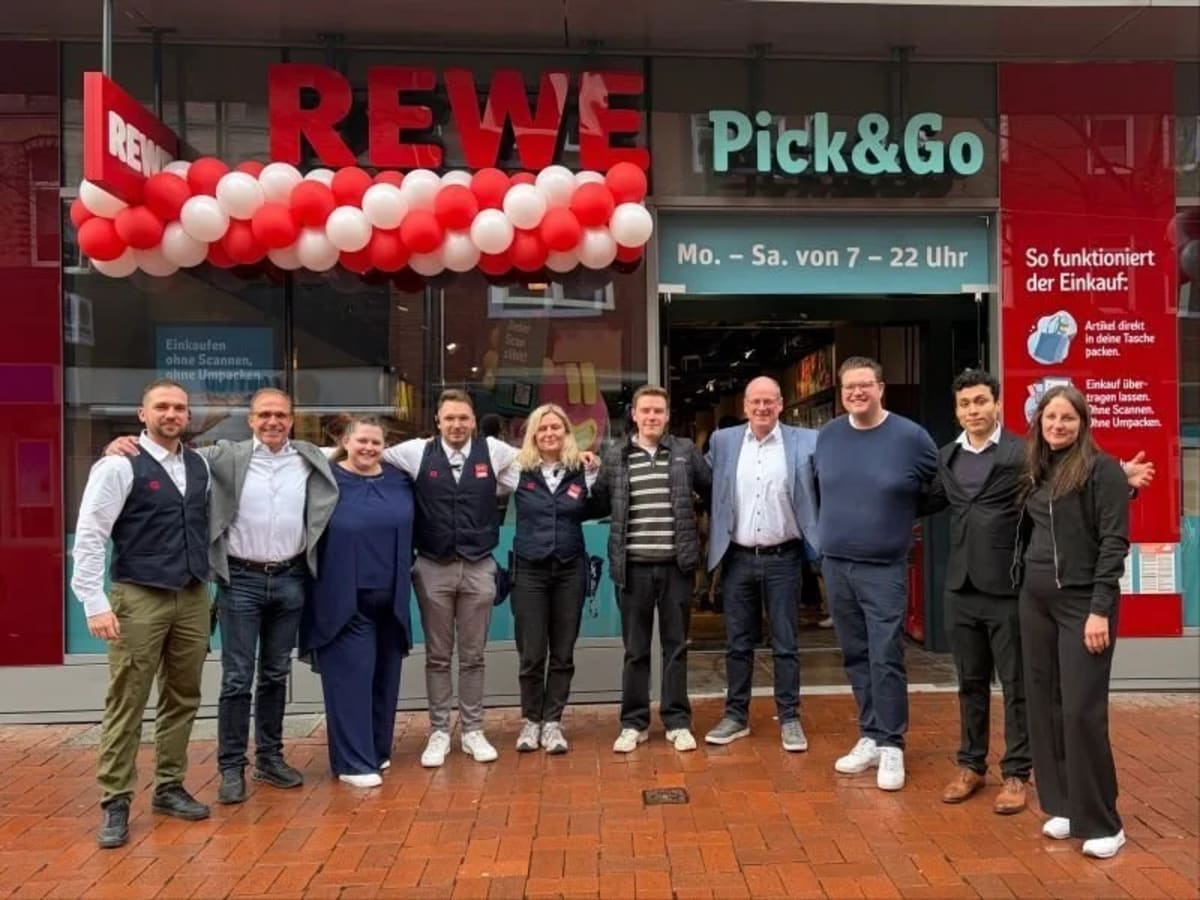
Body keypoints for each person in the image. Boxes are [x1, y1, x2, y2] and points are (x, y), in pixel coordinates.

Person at [925, 370, 1154, 815]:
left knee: (1020, 687)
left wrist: (1119, 480)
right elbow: (931, 500)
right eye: (964, 404)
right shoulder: (947, 457)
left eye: (980, 402)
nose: (973, 410)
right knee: (970, 683)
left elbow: (1078, 492)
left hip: (1012, 589)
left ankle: (1017, 773)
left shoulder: (1022, 454)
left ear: (997, 405)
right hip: (963, 586)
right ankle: (971, 763)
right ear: (956, 411)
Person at [105, 388, 339, 805]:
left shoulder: (310, 457)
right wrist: (121, 444)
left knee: (275, 675)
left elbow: (360, 449)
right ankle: (231, 766)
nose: (272, 422)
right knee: (236, 678)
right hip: (240, 581)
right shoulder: (221, 457)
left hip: (291, 578)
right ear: (250, 420)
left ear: (292, 419)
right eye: (264, 414)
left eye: (281, 415)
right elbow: (169, 454)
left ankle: (270, 757)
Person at [72, 380, 212, 849]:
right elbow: (91, 533)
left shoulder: (199, 464)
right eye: (162, 407)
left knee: (183, 695)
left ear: (188, 416)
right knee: (127, 699)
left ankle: (169, 786)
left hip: (192, 594)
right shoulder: (117, 464)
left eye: (180, 407)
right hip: (139, 596)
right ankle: (115, 799)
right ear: (142, 413)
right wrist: (93, 601)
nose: (172, 414)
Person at [1015, 385, 1130, 859]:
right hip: (1034, 600)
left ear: (1083, 423)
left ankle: (1104, 821)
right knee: (1045, 704)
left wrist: (1099, 608)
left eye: (1067, 418)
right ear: (1039, 424)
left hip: (1082, 603)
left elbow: (1113, 542)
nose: (1058, 425)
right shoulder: (1037, 470)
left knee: (1081, 711)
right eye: (1050, 418)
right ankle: (1063, 804)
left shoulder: (1102, 470)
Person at [813, 356, 937, 791]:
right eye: (850, 387)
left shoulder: (911, 437)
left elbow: (936, 491)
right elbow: (818, 489)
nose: (857, 393)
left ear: (881, 388)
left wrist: (897, 516)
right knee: (855, 654)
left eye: (865, 385)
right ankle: (869, 733)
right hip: (837, 564)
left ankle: (892, 745)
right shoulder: (827, 437)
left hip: (883, 566)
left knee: (886, 655)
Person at [379, 389, 519, 767]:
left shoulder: (495, 452)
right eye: (450, 418)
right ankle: (440, 731)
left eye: (464, 418)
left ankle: (473, 731)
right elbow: (367, 455)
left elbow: (540, 464)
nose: (457, 425)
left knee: (473, 656)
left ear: (473, 421)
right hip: (432, 566)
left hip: (479, 566)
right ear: (438, 422)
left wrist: (585, 464)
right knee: (438, 657)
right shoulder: (415, 452)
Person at [589, 385, 712, 753]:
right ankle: (634, 722)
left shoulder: (685, 452)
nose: (652, 417)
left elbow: (712, 491)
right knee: (635, 650)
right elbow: (596, 502)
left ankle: (677, 721)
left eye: (658, 411)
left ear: (667, 415)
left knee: (676, 647)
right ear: (634, 415)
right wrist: (576, 473)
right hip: (633, 569)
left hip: (676, 568)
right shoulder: (616, 456)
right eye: (646, 411)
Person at [702, 376, 820, 752]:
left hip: (784, 557)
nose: (762, 408)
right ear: (745, 405)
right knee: (738, 643)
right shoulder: (723, 442)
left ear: (781, 404)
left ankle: (790, 718)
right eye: (756, 402)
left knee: (786, 643)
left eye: (769, 401)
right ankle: (736, 716)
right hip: (737, 558)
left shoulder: (806, 441)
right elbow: (701, 478)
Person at [300, 417, 414, 787]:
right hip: (343, 600)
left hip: (391, 599)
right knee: (350, 680)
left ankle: (377, 751)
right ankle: (351, 762)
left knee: (385, 678)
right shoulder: (324, 480)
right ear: (346, 442)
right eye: (361, 441)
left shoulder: (399, 479)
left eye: (375, 442)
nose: (368, 448)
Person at [499, 404, 598, 754]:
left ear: (567, 432)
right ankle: (532, 720)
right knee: (531, 651)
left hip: (570, 568)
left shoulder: (584, 471)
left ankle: (553, 722)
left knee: (563, 650)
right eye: (543, 429)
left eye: (556, 427)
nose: (550, 434)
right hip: (529, 569)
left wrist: (594, 462)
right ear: (533, 435)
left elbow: (603, 495)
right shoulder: (516, 470)